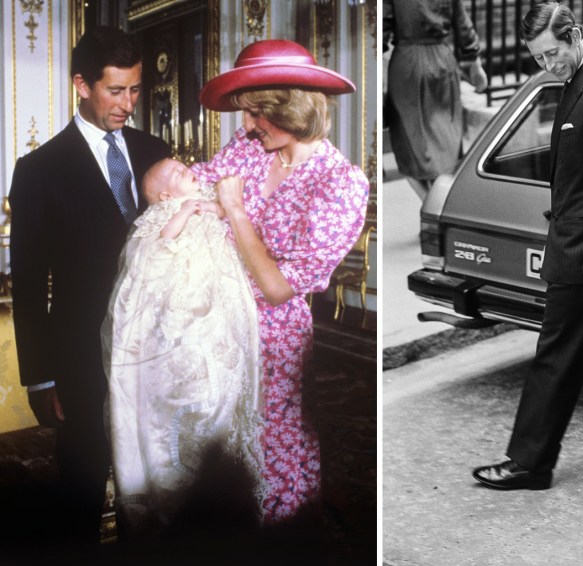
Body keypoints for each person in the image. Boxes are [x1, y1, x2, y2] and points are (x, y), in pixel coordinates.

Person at [193, 38, 369, 550]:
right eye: (245, 113)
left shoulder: (340, 183)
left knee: (274, 438)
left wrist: (236, 211)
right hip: (215, 318)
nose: (245, 126)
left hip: (273, 333)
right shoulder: (247, 150)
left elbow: (275, 288)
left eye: (255, 114)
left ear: (288, 107)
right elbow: (191, 189)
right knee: (219, 436)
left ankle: (288, 535)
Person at [472, 2, 583, 494]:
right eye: (537, 59)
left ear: (574, 35)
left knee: (555, 358)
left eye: (551, 54)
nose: (546, 66)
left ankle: (529, 463)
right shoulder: (577, 82)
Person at [8, 26, 171, 548]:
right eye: (115, 90)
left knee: (155, 478)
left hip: (156, 347)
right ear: (82, 85)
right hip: (80, 356)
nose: (128, 104)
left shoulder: (154, 150)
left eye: (136, 89)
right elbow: (29, 286)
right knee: (82, 479)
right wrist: (39, 378)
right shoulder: (38, 170)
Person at [102, 158, 265, 541]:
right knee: (188, 397)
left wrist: (212, 206)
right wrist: (186, 211)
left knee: (226, 388)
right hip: (182, 311)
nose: (187, 169)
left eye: (183, 165)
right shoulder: (164, 214)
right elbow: (160, 246)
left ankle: (224, 489)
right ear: (164, 196)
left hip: (216, 304)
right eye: (176, 173)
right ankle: (179, 503)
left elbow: (227, 210)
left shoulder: (203, 199)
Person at [383, 0, 488, 201]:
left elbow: (381, 30)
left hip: (406, 66)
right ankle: (439, 208)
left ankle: (432, 208)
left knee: (410, 147)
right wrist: (475, 62)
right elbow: (462, 23)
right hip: (442, 62)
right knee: (445, 141)